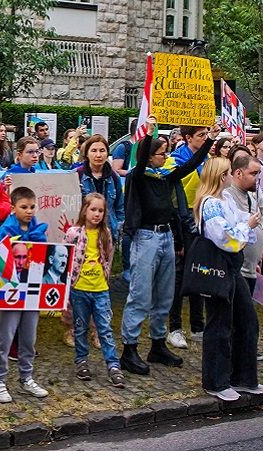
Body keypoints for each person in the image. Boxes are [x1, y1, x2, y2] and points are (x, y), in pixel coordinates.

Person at [121, 123, 216, 374]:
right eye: (162, 153)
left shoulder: (165, 177)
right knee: (140, 296)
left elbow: (190, 165)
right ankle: (129, 349)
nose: (167, 156)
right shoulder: (138, 176)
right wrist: (150, 133)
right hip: (145, 238)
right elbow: (140, 161)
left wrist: (209, 141)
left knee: (164, 296)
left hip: (166, 237)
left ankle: (157, 343)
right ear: (150, 155)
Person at [194, 158, 263, 401]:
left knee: (246, 319)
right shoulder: (211, 203)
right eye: (227, 174)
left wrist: (247, 223)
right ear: (220, 176)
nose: (230, 178)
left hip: (232, 266)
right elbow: (224, 236)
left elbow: (238, 221)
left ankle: (243, 376)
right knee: (219, 324)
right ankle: (215, 380)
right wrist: (248, 227)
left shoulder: (224, 200)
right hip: (220, 265)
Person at [0, 186, 50, 403]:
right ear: (13, 208)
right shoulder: (6, 231)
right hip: (11, 291)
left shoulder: (37, 230)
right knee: (5, 337)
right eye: (24, 207)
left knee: (29, 337)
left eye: (32, 207)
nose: (29, 211)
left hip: (32, 290)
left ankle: (26, 377)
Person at [65, 194, 125, 388]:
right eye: (93, 210)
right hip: (79, 288)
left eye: (100, 211)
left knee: (105, 328)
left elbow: (108, 257)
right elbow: (65, 257)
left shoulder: (105, 233)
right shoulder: (74, 233)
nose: (97, 214)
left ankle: (113, 365)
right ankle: (81, 360)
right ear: (84, 210)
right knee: (80, 326)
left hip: (100, 288)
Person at [165, 125, 214, 349]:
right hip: (182, 221)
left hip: (201, 221)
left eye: (206, 135)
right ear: (187, 138)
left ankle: (198, 326)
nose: (204, 139)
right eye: (201, 136)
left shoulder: (207, 159)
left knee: (199, 273)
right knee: (179, 277)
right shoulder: (175, 160)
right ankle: (174, 327)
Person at [78, 134, 126, 274]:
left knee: (104, 272)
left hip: (107, 231)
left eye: (102, 150)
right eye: (94, 151)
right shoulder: (77, 175)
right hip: (84, 233)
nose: (98, 155)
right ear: (86, 153)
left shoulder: (114, 177)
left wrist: (118, 226)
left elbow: (119, 206)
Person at [223, 154, 263, 295]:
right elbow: (228, 232)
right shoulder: (226, 195)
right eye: (253, 174)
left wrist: (257, 256)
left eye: (258, 174)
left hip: (251, 267)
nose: (257, 179)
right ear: (238, 173)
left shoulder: (252, 193)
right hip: (236, 269)